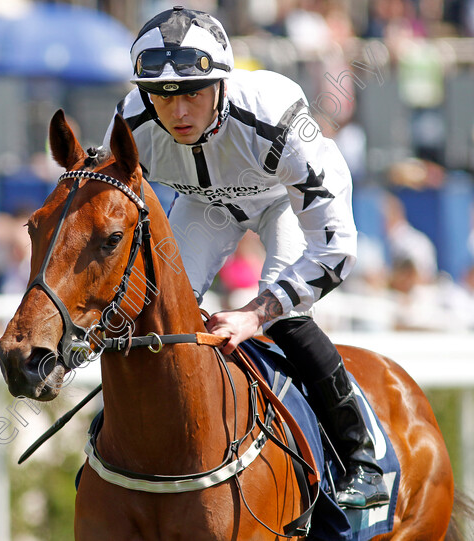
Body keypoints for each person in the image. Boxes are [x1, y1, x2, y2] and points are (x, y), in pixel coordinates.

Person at [104, 6, 388, 509]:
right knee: (155, 310)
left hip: (285, 200)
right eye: (163, 97)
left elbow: (336, 250)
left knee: (285, 318)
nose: (178, 113)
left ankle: (360, 453)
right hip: (203, 204)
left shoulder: (274, 118)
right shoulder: (129, 121)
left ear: (223, 84)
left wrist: (257, 314)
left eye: (193, 91)